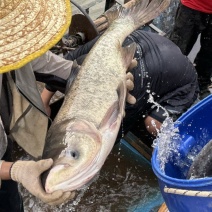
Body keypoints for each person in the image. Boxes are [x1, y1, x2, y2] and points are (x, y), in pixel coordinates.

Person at [0, 1, 136, 210]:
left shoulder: (14, 48)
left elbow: (46, 63)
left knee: (12, 202)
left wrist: (102, 78)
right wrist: (15, 170)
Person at [42, 28, 199, 145]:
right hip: (155, 51)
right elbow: (61, 68)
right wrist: (44, 103)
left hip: (183, 83)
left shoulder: (131, 89)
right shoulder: (100, 46)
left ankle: (185, 147)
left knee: (152, 124)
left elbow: (111, 136)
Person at [169, 0, 212, 99]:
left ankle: (202, 85)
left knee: (209, 55)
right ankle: (167, 81)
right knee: (177, 50)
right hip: (191, 6)